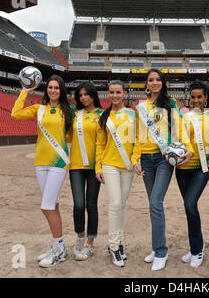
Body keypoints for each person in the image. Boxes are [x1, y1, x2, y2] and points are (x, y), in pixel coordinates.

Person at [133, 68, 194, 271]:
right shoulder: (141, 107)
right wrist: (135, 159)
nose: (155, 82)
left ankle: (161, 251)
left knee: (156, 202)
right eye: (151, 80)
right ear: (146, 83)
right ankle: (157, 246)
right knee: (153, 205)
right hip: (146, 160)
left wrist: (190, 149)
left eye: (158, 79)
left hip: (163, 160)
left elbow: (182, 127)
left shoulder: (171, 103)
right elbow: (137, 135)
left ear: (163, 82)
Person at [11, 75, 74, 268]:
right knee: (52, 205)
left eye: (57, 88)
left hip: (58, 163)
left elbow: (70, 136)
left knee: (46, 206)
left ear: (61, 91)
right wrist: (25, 91)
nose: (53, 91)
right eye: (50, 88)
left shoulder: (67, 110)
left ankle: (60, 248)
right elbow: (16, 114)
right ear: (46, 90)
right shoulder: (39, 109)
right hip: (41, 162)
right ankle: (58, 246)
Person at [96, 80, 139, 268]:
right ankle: (113, 246)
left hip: (128, 167)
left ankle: (119, 243)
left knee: (122, 205)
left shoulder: (133, 115)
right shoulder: (104, 117)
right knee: (115, 204)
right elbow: (100, 144)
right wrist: (98, 167)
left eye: (118, 92)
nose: (114, 95)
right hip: (110, 165)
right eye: (111, 92)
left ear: (124, 93)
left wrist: (135, 159)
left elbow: (139, 139)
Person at [176, 81, 209, 269]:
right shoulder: (185, 117)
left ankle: (198, 249)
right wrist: (190, 150)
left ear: (206, 97)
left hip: (202, 168)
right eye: (193, 97)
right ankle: (194, 247)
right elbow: (183, 138)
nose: (196, 100)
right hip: (183, 168)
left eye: (199, 97)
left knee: (190, 204)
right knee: (190, 209)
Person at [67, 81, 103, 261]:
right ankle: (80, 237)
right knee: (79, 204)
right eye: (80, 95)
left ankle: (90, 242)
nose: (83, 98)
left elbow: (103, 143)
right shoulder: (75, 115)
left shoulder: (102, 115)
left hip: (94, 167)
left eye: (86, 94)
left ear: (93, 95)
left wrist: (101, 166)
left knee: (92, 205)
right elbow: (67, 135)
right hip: (75, 166)